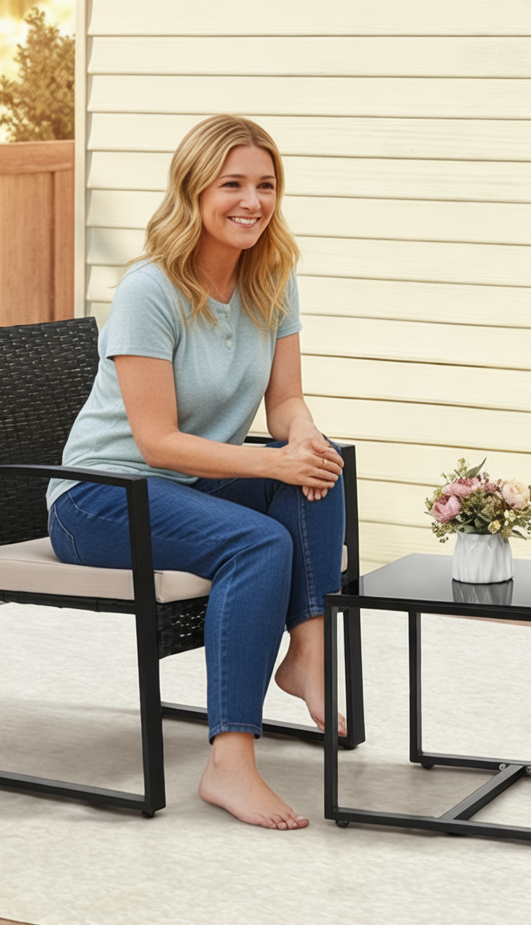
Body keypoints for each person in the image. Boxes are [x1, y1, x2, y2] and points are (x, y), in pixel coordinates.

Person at [46, 114, 346, 831]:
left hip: (183, 486)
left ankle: (307, 651)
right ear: (193, 192)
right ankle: (229, 761)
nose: (252, 201)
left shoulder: (271, 276)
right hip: (100, 497)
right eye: (232, 184)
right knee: (258, 542)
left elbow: (285, 401)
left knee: (324, 468)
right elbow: (156, 442)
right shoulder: (150, 290)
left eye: (265, 185)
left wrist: (303, 440)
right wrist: (274, 456)